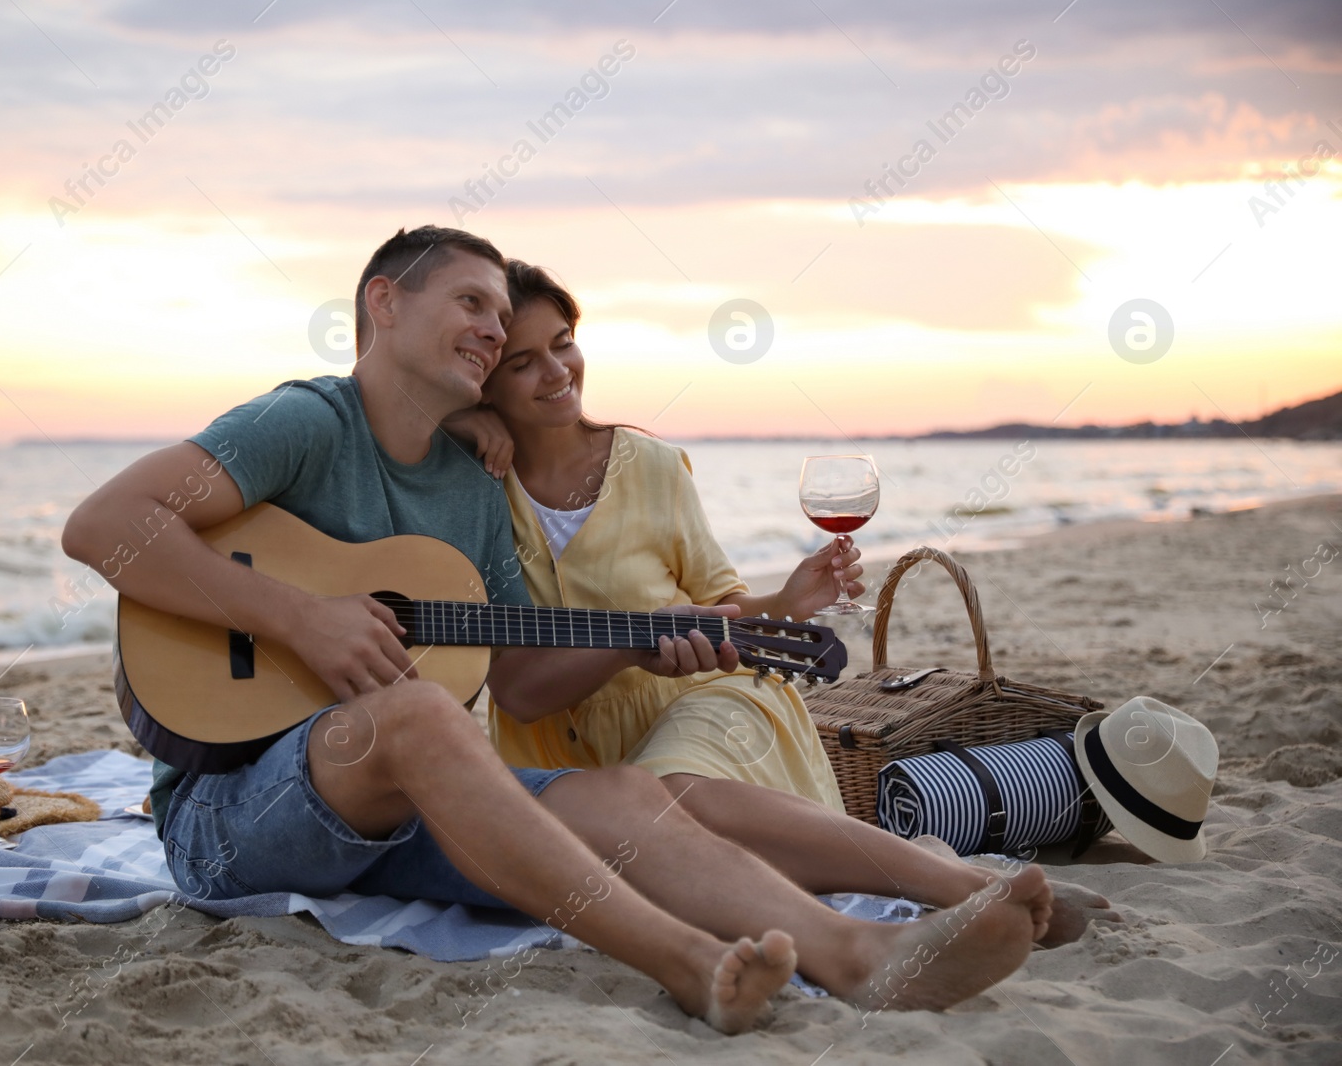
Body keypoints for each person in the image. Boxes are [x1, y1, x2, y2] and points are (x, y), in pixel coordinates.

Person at [62, 225, 1054, 1033]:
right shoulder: (304, 423)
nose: (494, 328)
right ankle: (690, 962)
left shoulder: (469, 481)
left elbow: (525, 683)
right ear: (383, 303)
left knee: (622, 792)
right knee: (411, 713)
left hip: (393, 818)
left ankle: (859, 954)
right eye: (472, 303)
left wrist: (643, 639)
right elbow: (103, 523)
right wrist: (303, 617)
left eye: (506, 314)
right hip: (227, 818)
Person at [446, 259, 1116, 941]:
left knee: (671, 794)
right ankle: (916, 869)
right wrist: (455, 427)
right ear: (486, 382)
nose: (557, 371)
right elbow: (518, 689)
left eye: (562, 342)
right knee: (653, 851)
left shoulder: (651, 467)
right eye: (523, 362)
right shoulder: (469, 492)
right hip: (568, 755)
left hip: (705, 701)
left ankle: (968, 886)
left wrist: (790, 600)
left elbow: (724, 608)